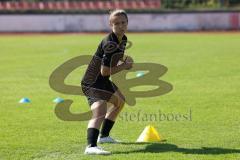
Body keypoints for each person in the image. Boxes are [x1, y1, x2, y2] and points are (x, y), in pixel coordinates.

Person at [81, 9, 134, 155]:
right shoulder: (109, 43)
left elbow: (118, 55)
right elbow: (105, 71)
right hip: (92, 81)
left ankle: (103, 136)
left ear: (127, 23)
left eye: (123, 22)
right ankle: (91, 146)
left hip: (102, 80)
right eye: (116, 23)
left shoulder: (122, 39)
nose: (120, 26)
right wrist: (125, 66)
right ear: (111, 25)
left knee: (120, 102)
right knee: (100, 110)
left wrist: (124, 59)